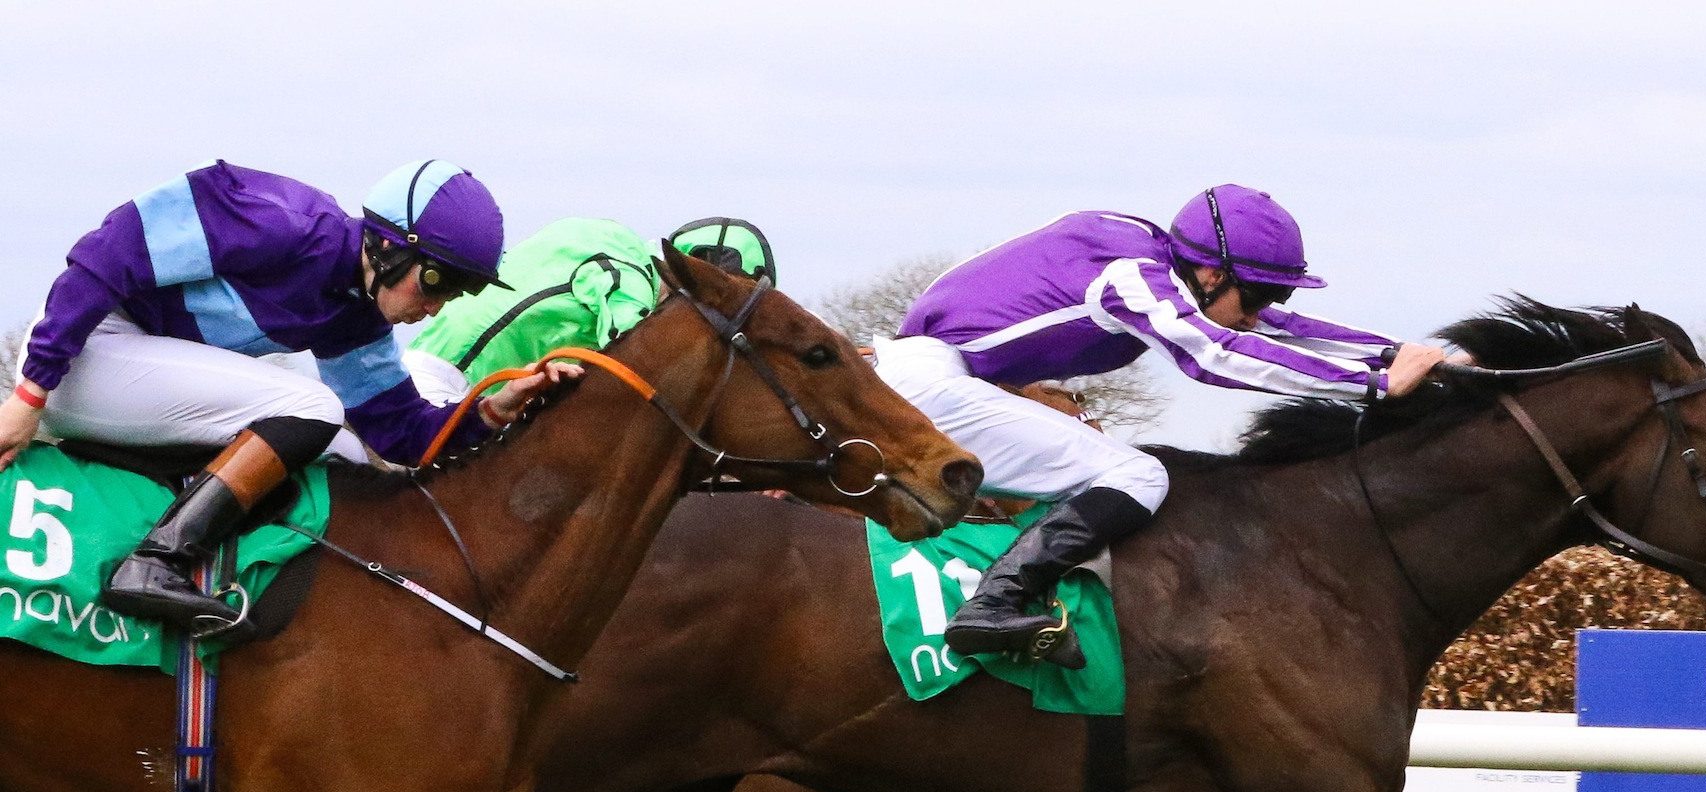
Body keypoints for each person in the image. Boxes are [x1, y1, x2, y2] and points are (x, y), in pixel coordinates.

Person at [879, 183, 1457, 666]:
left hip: (945, 376)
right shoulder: (1131, 277)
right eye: (1257, 294)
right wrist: (1374, 388)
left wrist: (1399, 354)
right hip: (932, 387)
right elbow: (1213, 354)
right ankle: (995, 604)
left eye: (1272, 294)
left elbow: (1276, 327)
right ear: (1209, 274)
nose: (1261, 310)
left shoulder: (1145, 249)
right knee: (1138, 477)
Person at [0, 159, 571, 632]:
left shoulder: (356, 317)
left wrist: (492, 410)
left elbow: (403, 435)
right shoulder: (280, 221)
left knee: (344, 455)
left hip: (130, 379)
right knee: (313, 406)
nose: (437, 306)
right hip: (81, 356)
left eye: (460, 289)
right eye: (436, 280)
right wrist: (30, 395)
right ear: (391, 246)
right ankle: (154, 564)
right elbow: (105, 252)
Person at [404, 215, 775, 399]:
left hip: (450, 378)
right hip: (446, 388)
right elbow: (639, 367)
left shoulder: (611, 244)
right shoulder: (633, 274)